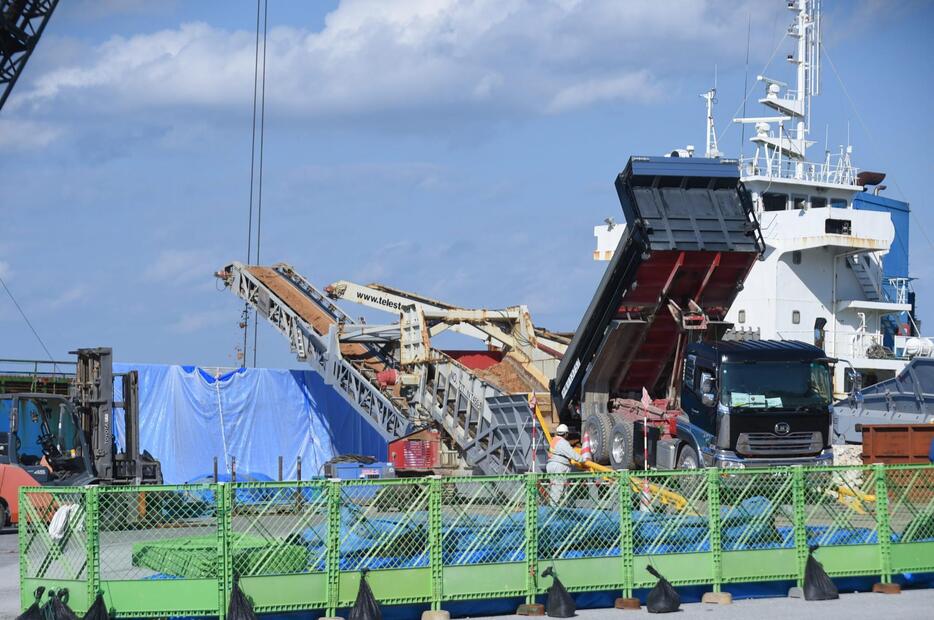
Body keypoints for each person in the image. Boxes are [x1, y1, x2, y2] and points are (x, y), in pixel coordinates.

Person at [547, 424, 585, 504]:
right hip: (559, 466)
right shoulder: (563, 442)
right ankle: (555, 509)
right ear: (566, 434)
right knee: (558, 488)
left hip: (551, 464)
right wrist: (583, 460)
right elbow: (572, 454)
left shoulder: (554, 440)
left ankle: (555, 505)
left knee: (554, 487)